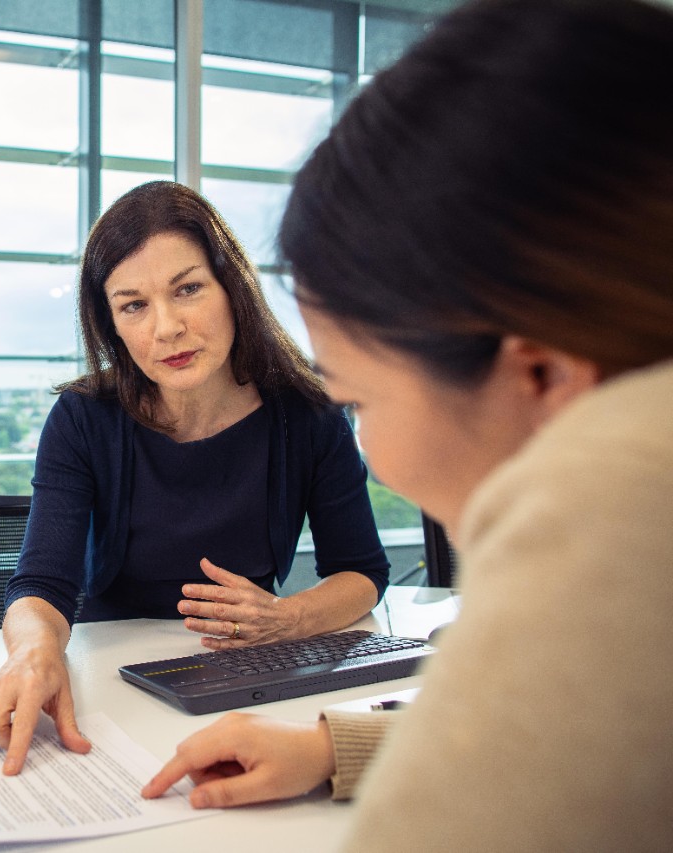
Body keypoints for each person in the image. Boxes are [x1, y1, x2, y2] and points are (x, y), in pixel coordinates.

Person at [142, 0, 673, 849]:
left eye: (360, 400)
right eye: (133, 304)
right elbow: (542, 734)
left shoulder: (631, 518)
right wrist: (332, 746)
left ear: (543, 374)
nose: (372, 453)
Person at [0, 180, 390, 774]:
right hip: (112, 677)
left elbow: (362, 571)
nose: (165, 328)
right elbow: (40, 582)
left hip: (248, 676)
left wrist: (289, 617)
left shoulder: (310, 415)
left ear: (232, 289)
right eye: (134, 305)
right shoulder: (84, 417)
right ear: (111, 323)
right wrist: (36, 651)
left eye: (188, 289)